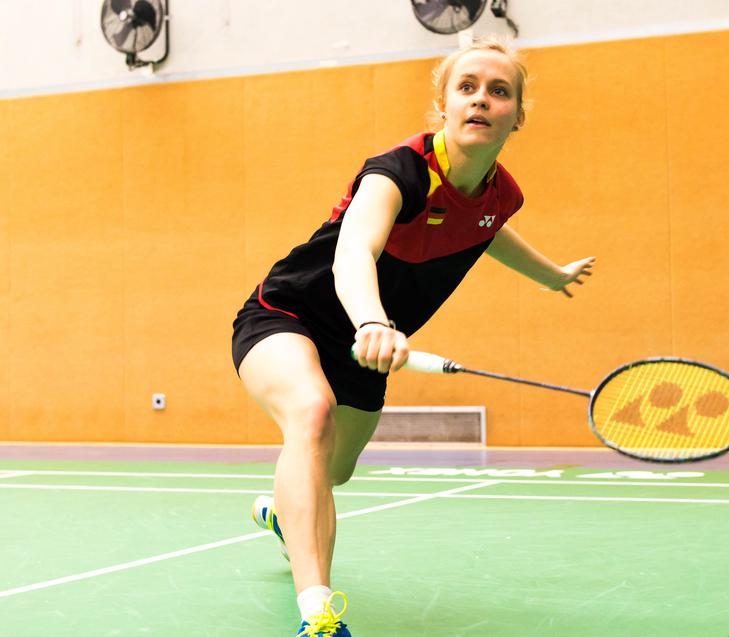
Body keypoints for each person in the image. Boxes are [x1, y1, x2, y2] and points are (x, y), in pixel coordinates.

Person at [232, 36, 595, 637]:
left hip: (367, 353)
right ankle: (318, 613)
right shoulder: (398, 171)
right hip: (289, 315)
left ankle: (282, 513)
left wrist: (551, 275)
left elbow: (486, 228)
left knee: (332, 472)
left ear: (517, 115)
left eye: (499, 91)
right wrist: (373, 319)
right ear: (445, 105)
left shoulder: (501, 195)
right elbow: (355, 249)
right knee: (311, 415)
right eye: (468, 87)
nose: (482, 99)